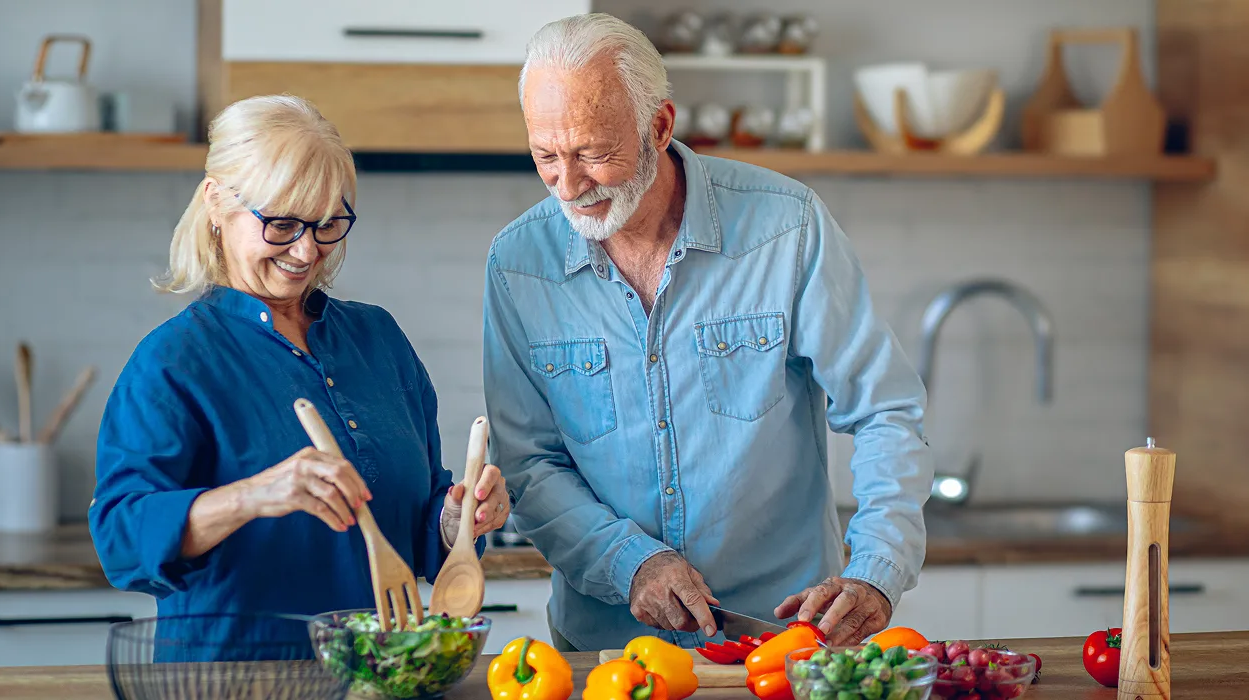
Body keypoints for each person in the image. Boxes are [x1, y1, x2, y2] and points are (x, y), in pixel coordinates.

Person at [482, 13, 934, 652]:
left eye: (593, 152)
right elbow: (527, 463)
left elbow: (885, 410)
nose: (570, 183)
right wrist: (629, 562)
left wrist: (876, 570)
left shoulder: (787, 227)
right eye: (545, 155)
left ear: (660, 127)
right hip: (607, 650)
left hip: (788, 641)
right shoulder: (518, 264)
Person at [89, 95, 511, 651]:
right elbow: (120, 537)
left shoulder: (378, 340)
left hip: (378, 677)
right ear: (217, 203)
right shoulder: (174, 362)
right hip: (239, 682)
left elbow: (413, 516)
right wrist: (253, 496)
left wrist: (455, 524)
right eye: (282, 223)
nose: (307, 249)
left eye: (328, 222)